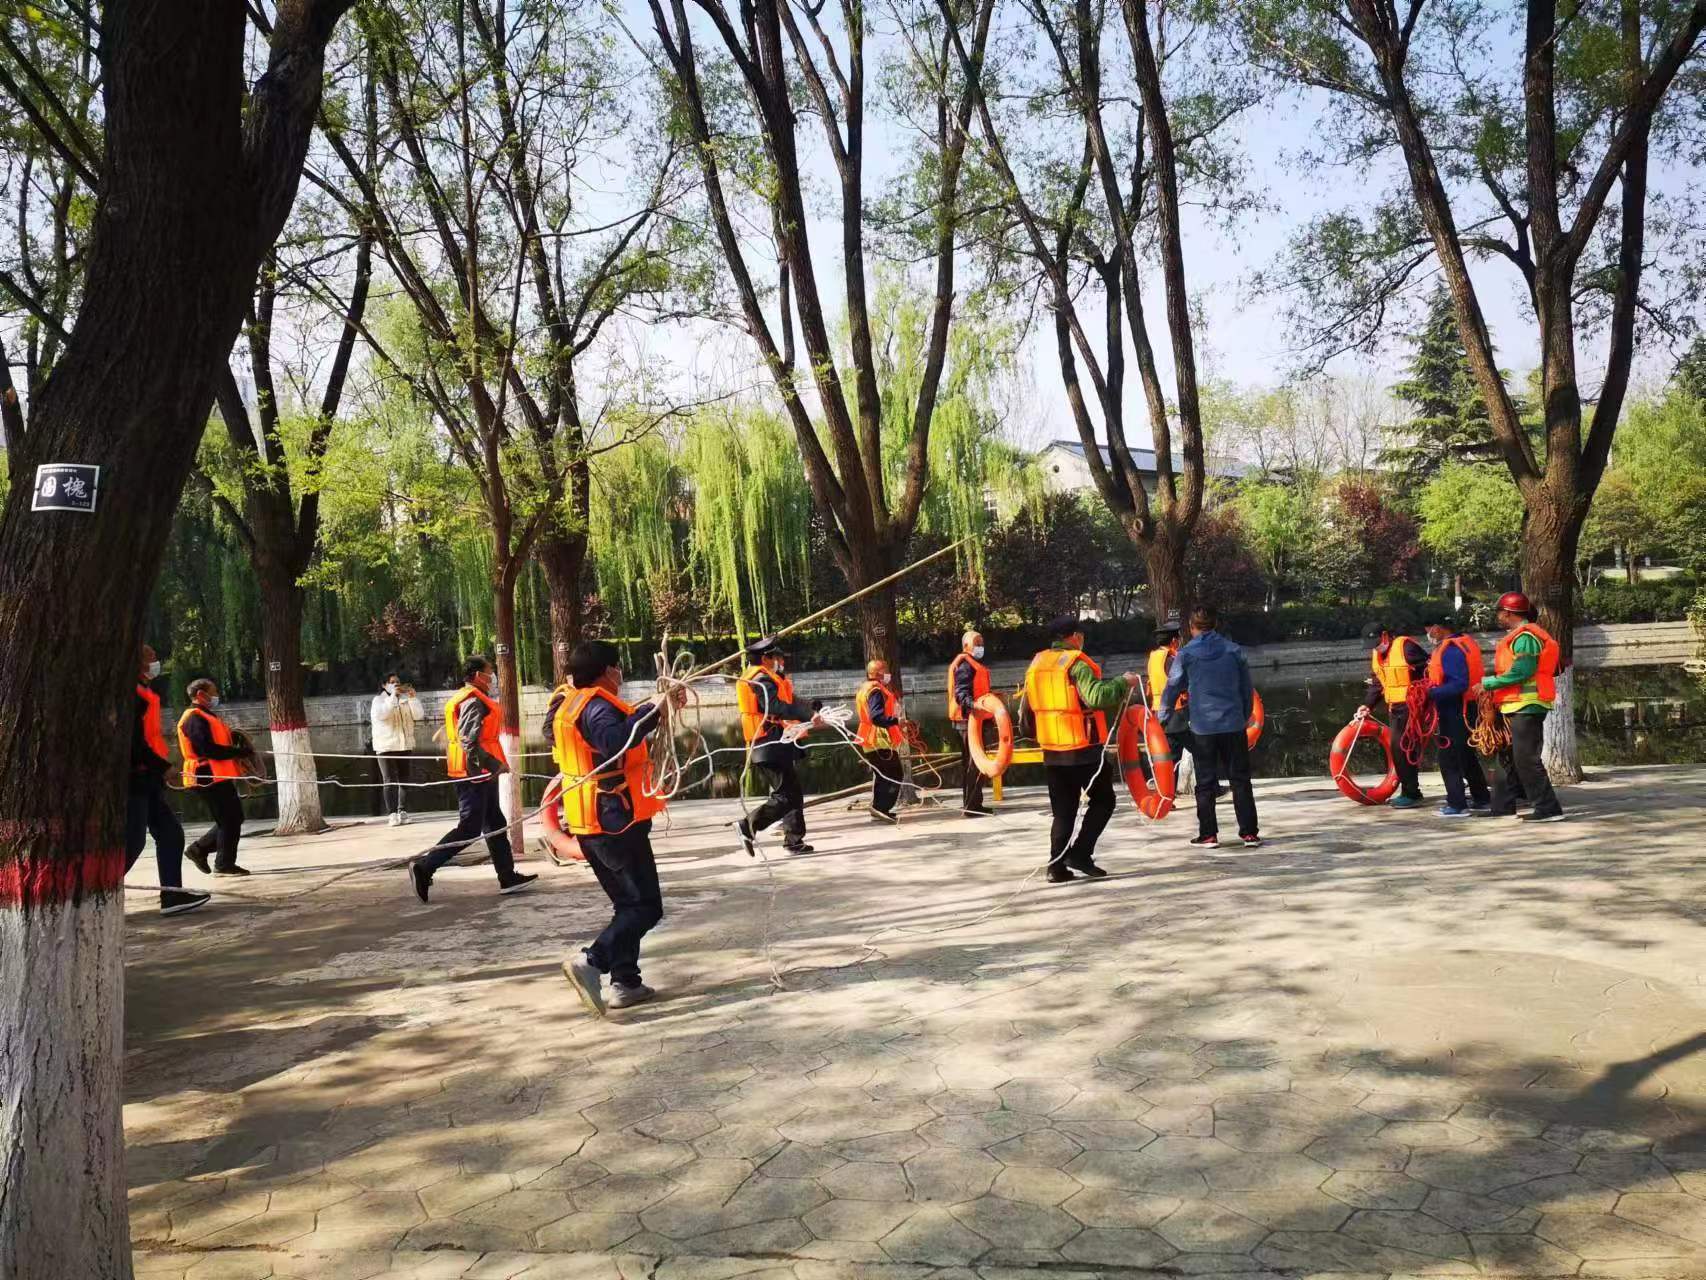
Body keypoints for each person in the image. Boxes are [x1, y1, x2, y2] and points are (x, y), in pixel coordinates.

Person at [558, 640, 686, 1015]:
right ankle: (592, 961)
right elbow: (615, 741)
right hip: (614, 821)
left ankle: (626, 982)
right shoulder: (597, 707)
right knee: (646, 907)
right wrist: (653, 710)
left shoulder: (571, 704)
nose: (620, 675)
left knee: (628, 905)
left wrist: (657, 709)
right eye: (617, 668)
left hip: (591, 822)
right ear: (607, 671)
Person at [408, 656, 540, 901]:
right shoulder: (473, 701)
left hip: (479, 772)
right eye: (490, 672)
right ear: (479, 675)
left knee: (495, 824)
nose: (493, 677)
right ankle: (425, 867)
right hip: (473, 773)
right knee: (469, 828)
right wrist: (494, 763)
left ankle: (507, 876)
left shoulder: (472, 697)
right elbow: (469, 741)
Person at [1025, 615, 1138, 883]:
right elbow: (1096, 696)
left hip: (1052, 750)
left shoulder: (1037, 663)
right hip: (1082, 749)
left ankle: (1056, 868)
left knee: (1063, 812)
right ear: (1075, 636)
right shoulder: (1076, 664)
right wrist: (1123, 682)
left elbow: (1027, 710)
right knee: (1104, 801)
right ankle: (1080, 854)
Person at [1162, 606, 1260, 850]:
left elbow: (1173, 687)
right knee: (1240, 780)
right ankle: (1249, 833)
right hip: (1233, 724)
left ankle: (1208, 835)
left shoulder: (1186, 654)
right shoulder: (1234, 651)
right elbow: (1246, 688)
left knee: (1205, 782)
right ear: (1215, 624)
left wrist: (1162, 716)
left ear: (1191, 627)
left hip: (1203, 727)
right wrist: (1244, 715)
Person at [129, 647, 210, 916]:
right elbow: (132, 743)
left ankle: (172, 896)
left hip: (148, 775)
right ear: (139, 662)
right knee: (133, 842)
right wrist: (163, 767)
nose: (157, 662)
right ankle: (95, 893)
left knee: (170, 833)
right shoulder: (131, 694)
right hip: (134, 777)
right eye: (151, 658)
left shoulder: (144, 691)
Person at [1474, 591, 1566, 823]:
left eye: (1499, 612)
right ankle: (1502, 807)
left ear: (1508, 613)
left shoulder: (1525, 637)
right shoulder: (1518, 636)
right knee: (1506, 759)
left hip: (1528, 705)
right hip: (1514, 705)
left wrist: (1488, 683)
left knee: (1526, 759)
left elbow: (1522, 671)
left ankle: (1548, 809)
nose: (1498, 617)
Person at [735, 638, 825, 855]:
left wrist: (810, 707)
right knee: (785, 796)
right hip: (768, 742)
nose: (779, 661)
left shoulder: (766, 678)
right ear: (765, 658)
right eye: (775, 657)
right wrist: (807, 714)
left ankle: (794, 840)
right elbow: (774, 706)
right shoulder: (760, 679)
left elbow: (789, 700)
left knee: (793, 793)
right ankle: (748, 825)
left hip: (776, 742)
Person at [177, 678, 256, 876]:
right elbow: (207, 749)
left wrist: (235, 744)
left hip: (218, 775)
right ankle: (221, 863)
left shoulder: (206, 715)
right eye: (213, 692)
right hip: (205, 776)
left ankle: (202, 851)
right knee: (229, 820)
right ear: (200, 695)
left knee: (233, 818)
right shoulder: (194, 718)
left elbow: (218, 742)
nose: (216, 696)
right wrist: (238, 753)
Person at [1424, 617, 1492, 818]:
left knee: (1448, 757)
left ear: (1437, 628)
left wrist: (1430, 693)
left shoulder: (1451, 650)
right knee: (1466, 755)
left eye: (1428, 629)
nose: (1428, 634)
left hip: (1455, 709)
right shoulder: (1465, 642)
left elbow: (1459, 684)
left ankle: (1457, 805)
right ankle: (1481, 798)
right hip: (1467, 706)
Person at [1358, 621, 1429, 809]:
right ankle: (1410, 791)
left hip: (1412, 706)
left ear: (1385, 636)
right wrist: (1367, 705)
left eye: (1376, 643)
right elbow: (1377, 684)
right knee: (1399, 748)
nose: (1375, 648)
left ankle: (1411, 793)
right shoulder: (1377, 655)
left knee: (1402, 747)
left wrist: (1425, 700)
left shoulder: (1406, 647)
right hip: (1394, 707)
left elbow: (1428, 671)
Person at [947, 629, 993, 816]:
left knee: (974, 764)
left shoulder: (973, 664)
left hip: (974, 719)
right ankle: (972, 807)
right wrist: (974, 705)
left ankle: (974, 804)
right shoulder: (965, 665)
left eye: (982, 643)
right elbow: (961, 694)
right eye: (977, 643)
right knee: (973, 764)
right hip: (968, 721)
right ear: (966, 645)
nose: (981, 647)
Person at [370, 673, 425, 826]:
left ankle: (402, 811)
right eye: (392, 682)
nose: (396, 684)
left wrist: (413, 698)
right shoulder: (378, 700)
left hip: (404, 745)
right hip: (386, 746)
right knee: (388, 780)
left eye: (398, 682)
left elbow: (419, 716)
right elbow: (382, 715)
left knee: (404, 779)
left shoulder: (405, 700)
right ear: (384, 685)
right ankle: (392, 814)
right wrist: (393, 696)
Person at [856, 658, 905, 823]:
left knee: (882, 775)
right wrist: (896, 721)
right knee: (894, 774)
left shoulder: (865, 688)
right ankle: (881, 808)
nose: (888, 673)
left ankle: (879, 808)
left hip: (869, 739)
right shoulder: (876, 691)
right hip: (878, 739)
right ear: (878, 673)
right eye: (886, 670)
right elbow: (876, 717)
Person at [1147, 611, 1193, 787]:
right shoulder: (1171, 659)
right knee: (1202, 750)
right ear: (1174, 640)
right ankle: (1211, 787)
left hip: (1159, 714)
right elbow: (1180, 683)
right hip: (1176, 714)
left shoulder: (1153, 658)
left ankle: (1167, 793)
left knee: (1171, 756)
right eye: (1178, 639)